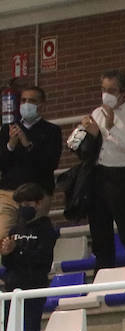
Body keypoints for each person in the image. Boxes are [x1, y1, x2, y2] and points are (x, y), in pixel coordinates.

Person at [81, 70, 125, 277]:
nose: (106, 94)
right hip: (99, 173)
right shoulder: (97, 113)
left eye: (111, 90)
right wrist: (91, 134)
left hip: (123, 175)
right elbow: (93, 148)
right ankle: (103, 273)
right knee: (99, 229)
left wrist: (112, 128)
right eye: (103, 89)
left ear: (124, 93)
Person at [1, 182, 59, 331]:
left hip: (35, 285)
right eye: (21, 205)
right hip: (13, 286)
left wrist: (17, 250)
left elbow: (42, 258)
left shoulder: (46, 229)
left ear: (39, 203)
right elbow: (8, 262)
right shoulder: (15, 229)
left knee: (32, 330)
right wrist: (8, 252)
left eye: (28, 204)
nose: (24, 209)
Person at [0, 85, 62, 237]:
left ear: (41, 105)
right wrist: (11, 145)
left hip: (37, 195)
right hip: (8, 193)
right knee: (2, 237)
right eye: (23, 100)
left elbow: (50, 164)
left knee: (31, 239)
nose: (26, 104)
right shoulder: (7, 129)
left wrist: (28, 144)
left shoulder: (51, 131)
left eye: (32, 101)